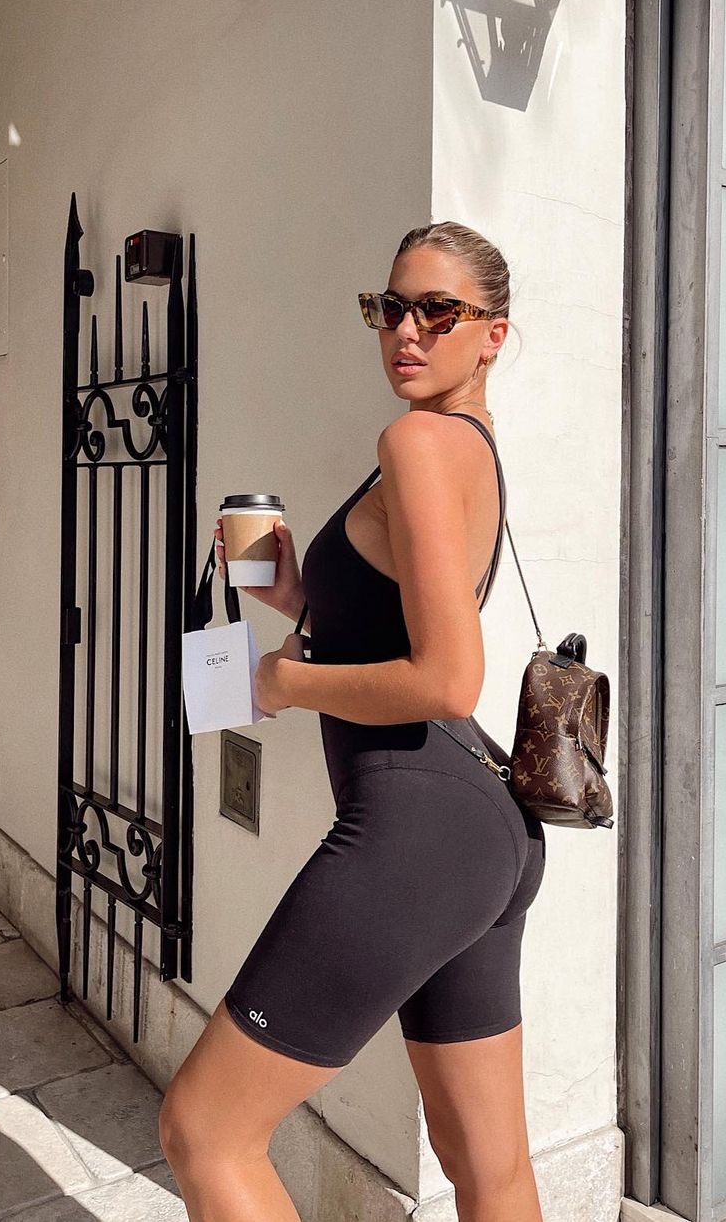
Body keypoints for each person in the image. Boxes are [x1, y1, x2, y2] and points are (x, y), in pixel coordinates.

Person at [159, 222, 547, 1222]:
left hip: (416, 829)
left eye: (438, 311)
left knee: (204, 1131)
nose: (406, 331)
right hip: (480, 827)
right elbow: (405, 629)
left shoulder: (415, 442)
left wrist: (285, 682)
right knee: (488, 1165)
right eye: (390, 307)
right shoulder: (466, 447)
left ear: (493, 334)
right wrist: (297, 594)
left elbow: (447, 677)